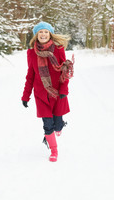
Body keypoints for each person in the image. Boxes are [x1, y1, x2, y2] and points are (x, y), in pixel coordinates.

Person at [21, 21, 74, 162]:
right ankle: (54, 151)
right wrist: (25, 96)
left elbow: (65, 70)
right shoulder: (32, 53)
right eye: (40, 32)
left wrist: (64, 89)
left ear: (50, 34)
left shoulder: (58, 49)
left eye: (45, 32)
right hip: (41, 94)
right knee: (47, 125)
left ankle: (60, 125)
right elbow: (30, 75)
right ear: (36, 35)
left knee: (57, 124)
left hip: (57, 93)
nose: (43, 34)